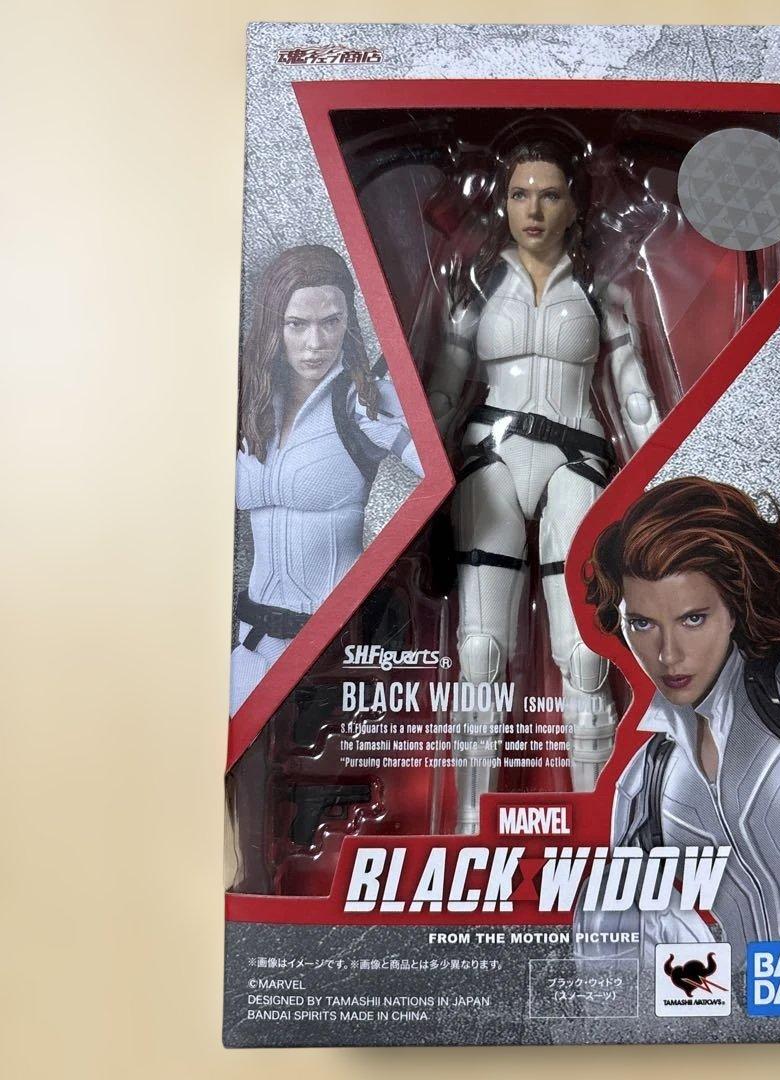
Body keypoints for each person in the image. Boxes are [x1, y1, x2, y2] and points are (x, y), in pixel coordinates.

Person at [426, 139, 660, 832]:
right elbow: (441, 392)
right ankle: (470, 826)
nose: (534, 208)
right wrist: (407, 479)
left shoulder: (600, 293)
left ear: (573, 204)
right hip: (490, 460)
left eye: (550, 194)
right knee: (479, 652)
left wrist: (665, 478)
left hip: (576, 459)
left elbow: (634, 394)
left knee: (587, 656)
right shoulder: (474, 288)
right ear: (501, 201)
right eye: (521, 193)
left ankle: (597, 823)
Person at [578, 476, 780, 967]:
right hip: (742, 1005)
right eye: (642, 623)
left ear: (734, 607)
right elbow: (615, 952)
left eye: (692, 619)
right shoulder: (649, 780)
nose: (668, 654)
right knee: (604, 903)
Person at [231, 244, 422, 716]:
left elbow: (443, 479)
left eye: (330, 322)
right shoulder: (247, 406)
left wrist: (397, 437)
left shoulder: (364, 401)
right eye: (297, 324)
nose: (315, 342)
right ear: (274, 325)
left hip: (334, 651)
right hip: (250, 646)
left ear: (348, 322)